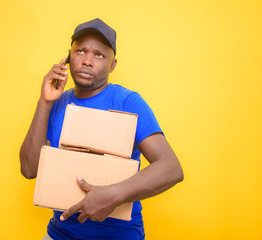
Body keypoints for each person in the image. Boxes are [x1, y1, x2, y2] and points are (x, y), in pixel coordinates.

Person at [19, 18, 184, 240]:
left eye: (99, 55)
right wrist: (44, 102)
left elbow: (171, 168)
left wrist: (114, 194)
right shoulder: (56, 103)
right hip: (61, 233)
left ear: (112, 64)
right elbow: (29, 170)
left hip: (118, 235)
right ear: (69, 56)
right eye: (81, 51)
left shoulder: (128, 102)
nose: (87, 61)